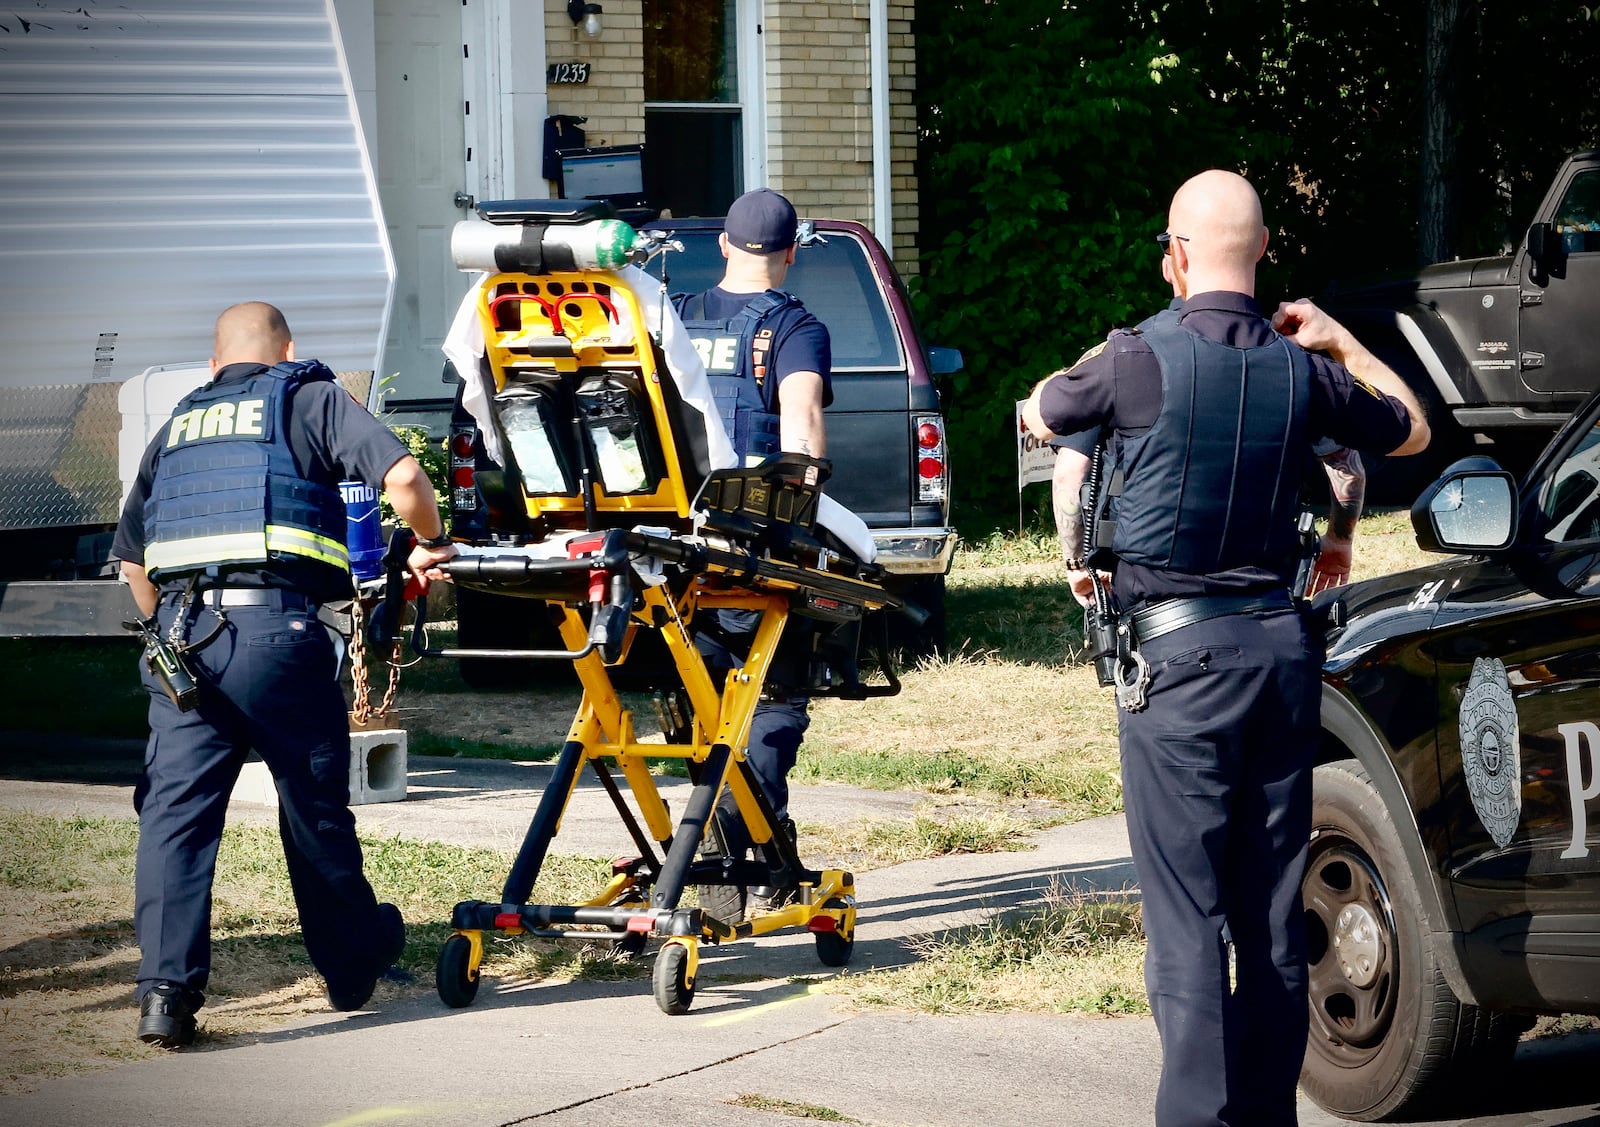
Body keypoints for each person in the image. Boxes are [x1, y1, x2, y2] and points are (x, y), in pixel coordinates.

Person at [1023, 170, 1428, 1126]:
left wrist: (1105, 353)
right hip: (1283, 661)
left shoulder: (1133, 359)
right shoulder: (1306, 370)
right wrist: (1341, 338)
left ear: (1174, 253)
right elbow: (1406, 430)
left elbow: (1041, 413)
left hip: (1176, 673)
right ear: (1262, 254)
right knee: (1270, 912)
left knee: (1188, 925)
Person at [111, 301, 460, 1048]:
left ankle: (165, 994)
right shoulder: (309, 396)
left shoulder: (177, 423)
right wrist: (430, 541)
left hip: (181, 641)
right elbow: (402, 477)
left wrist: (164, 633)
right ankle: (351, 968)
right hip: (278, 634)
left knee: (175, 818)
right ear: (286, 350)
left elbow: (134, 560)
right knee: (312, 806)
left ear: (214, 366)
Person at [670, 188, 831, 917]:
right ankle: (745, 850)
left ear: (724, 247)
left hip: (681, 543)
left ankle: (722, 843)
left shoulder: (673, 319)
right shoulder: (795, 327)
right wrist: (805, 523)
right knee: (772, 700)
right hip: (759, 540)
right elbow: (799, 419)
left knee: (703, 700)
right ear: (791, 253)